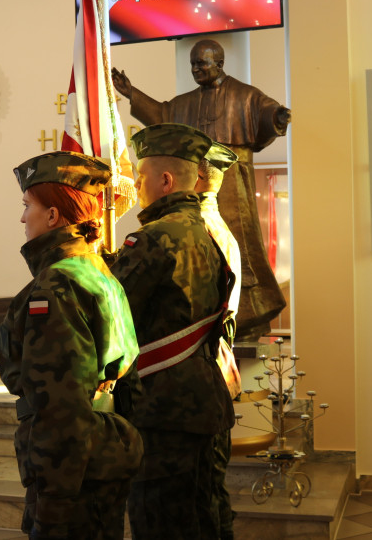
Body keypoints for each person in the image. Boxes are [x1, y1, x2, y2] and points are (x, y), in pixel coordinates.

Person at [0, 151, 142, 539]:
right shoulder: (96, 269)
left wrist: (54, 500)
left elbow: (59, 404)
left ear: (53, 216)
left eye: (28, 205)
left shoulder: (56, 287)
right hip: (101, 452)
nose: (22, 217)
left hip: (73, 467)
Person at [112, 38, 290, 341]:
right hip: (196, 183)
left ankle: (249, 316)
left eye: (201, 63)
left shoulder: (244, 96)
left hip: (232, 181)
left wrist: (276, 118)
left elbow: (267, 113)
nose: (195, 69)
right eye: (192, 64)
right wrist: (132, 93)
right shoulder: (185, 102)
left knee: (240, 246)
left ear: (219, 64)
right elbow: (163, 115)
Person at [108, 123, 235, 540]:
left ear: (164, 180)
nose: (135, 186)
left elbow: (109, 309)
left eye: (140, 177)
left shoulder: (153, 238)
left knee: (159, 521)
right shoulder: (203, 231)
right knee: (201, 519)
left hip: (162, 408)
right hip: (200, 398)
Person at [196, 141, 241, 540]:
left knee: (204, 496)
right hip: (212, 372)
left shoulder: (200, 232)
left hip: (199, 374)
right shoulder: (215, 226)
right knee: (210, 491)